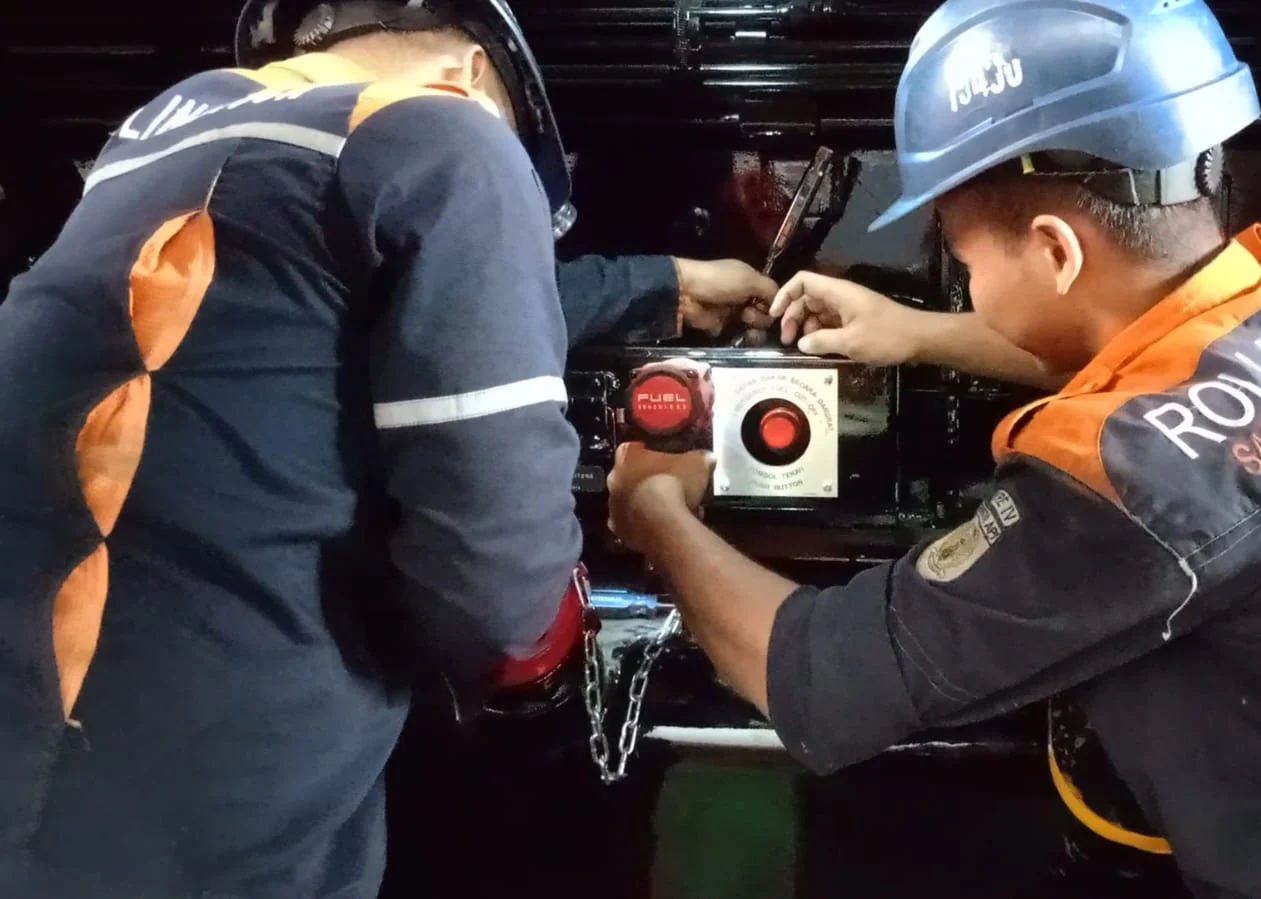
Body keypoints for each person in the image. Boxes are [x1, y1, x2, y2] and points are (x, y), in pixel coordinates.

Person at [605, 0, 1261, 895]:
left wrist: (655, 507)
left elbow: (811, 676)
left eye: (963, 255)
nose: (963, 276)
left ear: (1055, 249)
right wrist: (916, 331)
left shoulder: (1125, 489)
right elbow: (1172, 367)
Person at [0, 0, 772, 896]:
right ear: (472, 76)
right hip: (211, 801)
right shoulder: (452, 134)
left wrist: (663, 285)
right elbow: (494, 583)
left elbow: (386, 306)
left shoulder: (165, 131)